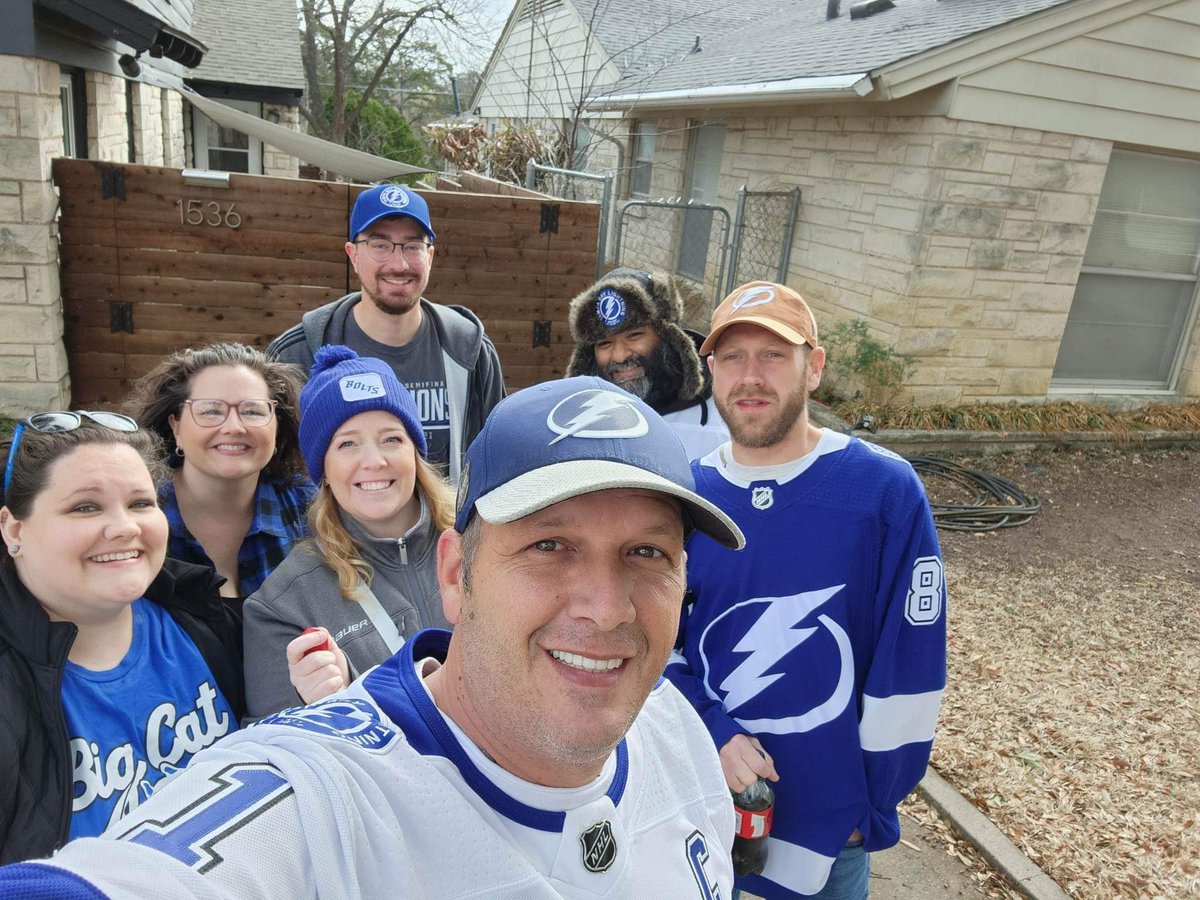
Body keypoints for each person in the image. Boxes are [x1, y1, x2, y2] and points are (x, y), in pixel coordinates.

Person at [0, 377, 746, 898]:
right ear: (457, 575)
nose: (608, 608)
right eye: (550, 546)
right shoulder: (326, 801)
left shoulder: (676, 730)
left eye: (647, 553)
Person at [665, 282, 947, 899]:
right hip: (701, 816)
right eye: (732, 357)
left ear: (813, 368)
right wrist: (712, 733)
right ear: (710, 371)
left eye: (774, 355)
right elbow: (658, 645)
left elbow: (911, 666)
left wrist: (867, 805)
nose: (750, 377)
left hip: (829, 839)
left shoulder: (881, 492)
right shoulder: (683, 494)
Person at [0, 413, 243, 864]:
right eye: (85, 507)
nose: (124, 527)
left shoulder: (202, 616)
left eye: (140, 504)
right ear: (14, 529)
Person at [242, 345, 456, 719]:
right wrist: (325, 705)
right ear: (323, 468)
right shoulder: (283, 604)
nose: (374, 461)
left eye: (392, 438)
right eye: (347, 444)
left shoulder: (481, 540)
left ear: (415, 451)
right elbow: (273, 743)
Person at [267, 183, 505, 484]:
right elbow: (276, 473)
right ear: (353, 255)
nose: (399, 264)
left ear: (429, 256)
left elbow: (495, 463)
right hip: (330, 532)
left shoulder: (470, 352)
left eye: (413, 246)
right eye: (380, 245)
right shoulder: (297, 355)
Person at [129, 342, 314, 600]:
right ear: (176, 427)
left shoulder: (311, 510)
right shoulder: (135, 516)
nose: (234, 427)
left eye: (252, 411)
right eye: (211, 411)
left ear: (277, 426)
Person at [567, 267, 729, 459]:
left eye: (634, 335)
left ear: (668, 337)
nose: (619, 356)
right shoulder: (574, 423)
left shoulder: (723, 420)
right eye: (605, 343)